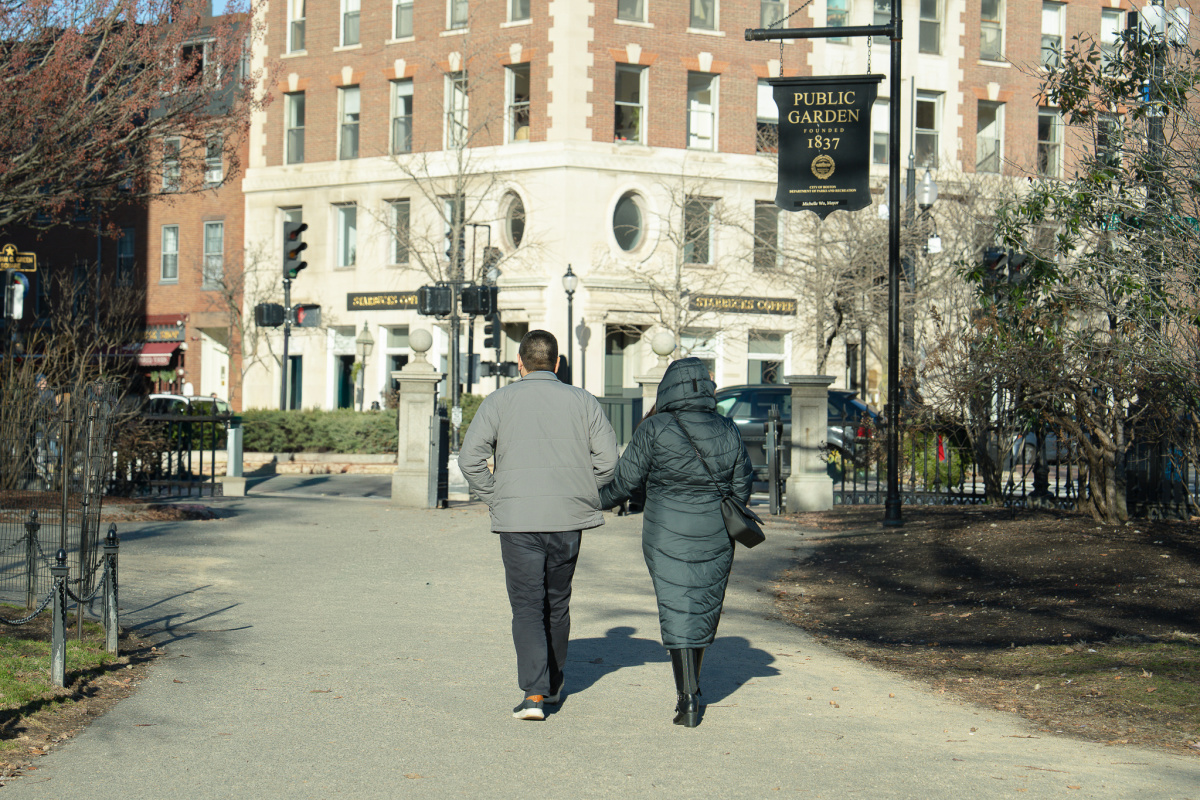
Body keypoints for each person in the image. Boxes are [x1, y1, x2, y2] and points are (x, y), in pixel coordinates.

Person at [459, 330, 618, 721]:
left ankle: (534, 694)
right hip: (567, 519)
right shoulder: (583, 401)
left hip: (518, 522)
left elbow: (469, 459)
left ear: (520, 361)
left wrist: (495, 495)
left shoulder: (499, 401)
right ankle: (554, 686)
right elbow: (609, 463)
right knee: (557, 602)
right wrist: (580, 489)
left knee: (528, 606)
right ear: (558, 363)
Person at [599, 357, 752, 727]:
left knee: (676, 605)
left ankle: (688, 698)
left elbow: (624, 483)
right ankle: (692, 689)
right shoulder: (727, 428)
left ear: (668, 386)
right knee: (701, 605)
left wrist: (588, 500)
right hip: (715, 530)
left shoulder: (654, 428)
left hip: (665, 530)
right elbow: (743, 484)